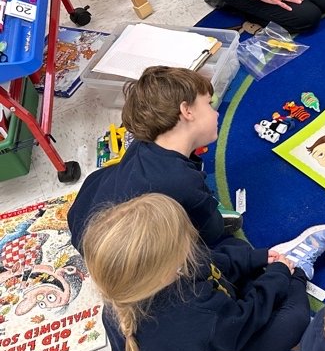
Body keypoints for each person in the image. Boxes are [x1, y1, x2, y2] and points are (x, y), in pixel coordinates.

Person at [84, 194, 325, 351]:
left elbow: (209, 262)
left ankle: (277, 268)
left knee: (230, 252)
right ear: (166, 271)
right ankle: (299, 268)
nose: (193, 238)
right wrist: (283, 272)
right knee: (292, 321)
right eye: (185, 240)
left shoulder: (126, 293)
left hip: (202, 340)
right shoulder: (195, 313)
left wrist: (259, 257)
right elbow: (246, 320)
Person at [68, 66, 234, 256]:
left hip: (88, 214)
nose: (216, 113)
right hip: (120, 254)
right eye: (208, 104)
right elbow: (211, 231)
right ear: (187, 110)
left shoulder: (142, 143)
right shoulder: (183, 182)